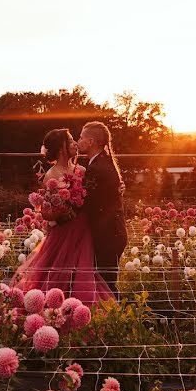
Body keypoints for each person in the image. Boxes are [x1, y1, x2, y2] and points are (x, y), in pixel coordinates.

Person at [11, 128, 114, 305]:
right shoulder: (50, 176)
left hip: (83, 229)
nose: (75, 143)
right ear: (61, 148)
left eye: (76, 139)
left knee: (83, 270)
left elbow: (96, 193)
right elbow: (46, 211)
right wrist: (62, 210)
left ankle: (82, 309)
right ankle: (53, 308)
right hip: (64, 230)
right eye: (71, 140)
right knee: (58, 271)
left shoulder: (82, 170)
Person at [77, 121, 128, 300]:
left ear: (91, 142)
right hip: (112, 232)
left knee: (106, 283)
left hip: (108, 235)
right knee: (106, 281)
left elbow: (87, 203)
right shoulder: (103, 162)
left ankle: (117, 320)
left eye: (81, 137)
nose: (78, 141)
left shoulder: (97, 168)